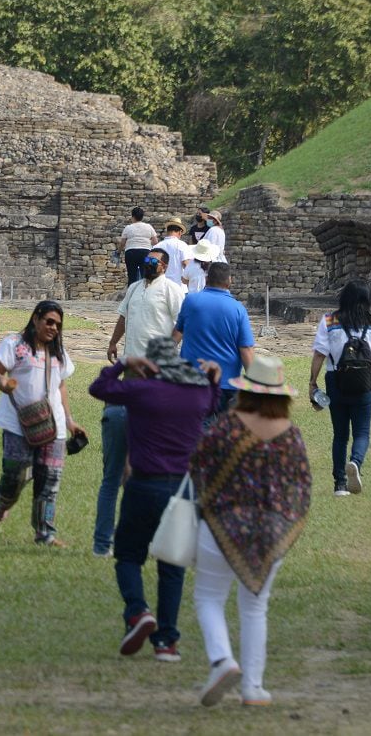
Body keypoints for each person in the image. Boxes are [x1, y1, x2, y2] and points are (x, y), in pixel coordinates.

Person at [189, 354, 310, 708]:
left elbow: (198, 466)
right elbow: (302, 486)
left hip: (221, 527)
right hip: (270, 532)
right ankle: (253, 687)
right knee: (256, 607)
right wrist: (286, 519)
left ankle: (222, 660)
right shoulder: (291, 435)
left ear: (247, 391)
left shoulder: (227, 426)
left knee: (209, 597)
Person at [89, 337, 219, 665]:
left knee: (129, 556)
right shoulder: (198, 394)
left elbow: (98, 388)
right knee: (172, 565)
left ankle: (137, 611)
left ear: (151, 363)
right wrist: (214, 379)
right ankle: (167, 642)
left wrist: (123, 364)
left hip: (144, 485)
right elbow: (213, 404)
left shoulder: (142, 390)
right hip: (183, 489)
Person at [96, 250, 189, 557]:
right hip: (131, 374)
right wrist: (113, 340)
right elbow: (124, 316)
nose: (149, 264)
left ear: (165, 266)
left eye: (155, 260)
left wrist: (167, 349)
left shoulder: (173, 290)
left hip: (158, 376)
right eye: (147, 260)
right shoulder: (135, 288)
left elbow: (182, 323)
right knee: (121, 466)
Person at [0, 301, 84, 548]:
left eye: (58, 325)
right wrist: (2, 383)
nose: (53, 328)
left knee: (49, 480)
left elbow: (60, 385)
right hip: (17, 425)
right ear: (36, 318)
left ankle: (45, 532)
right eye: (49, 321)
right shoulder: (15, 344)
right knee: (14, 478)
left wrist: (70, 421)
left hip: (53, 426)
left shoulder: (58, 352)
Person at [309, 281, 371, 498]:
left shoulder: (329, 320)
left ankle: (340, 484)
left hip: (336, 379)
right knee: (362, 431)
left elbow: (319, 353)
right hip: (365, 381)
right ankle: (355, 461)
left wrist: (312, 383)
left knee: (340, 434)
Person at [175, 262, 254, 410]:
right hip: (226, 382)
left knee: (194, 428)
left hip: (192, 380)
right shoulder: (238, 309)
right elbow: (246, 349)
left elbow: (176, 334)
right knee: (224, 429)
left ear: (206, 279)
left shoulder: (191, 301)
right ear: (229, 280)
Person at [121, 207, 157, 285]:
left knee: (132, 276)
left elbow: (122, 243)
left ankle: (132, 294)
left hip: (131, 253)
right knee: (146, 275)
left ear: (133, 217)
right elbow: (155, 241)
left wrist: (118, 251)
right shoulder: (148, 227)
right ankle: (145, 293)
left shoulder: (128, 228)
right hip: (146, 253)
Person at [157, 218, 191, 288]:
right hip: (177, 285)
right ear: (180, 232)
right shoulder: (182, 245)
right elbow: (186, 264)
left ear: (167, 231)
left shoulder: (157, 246)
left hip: (160, 285)